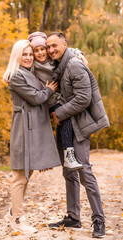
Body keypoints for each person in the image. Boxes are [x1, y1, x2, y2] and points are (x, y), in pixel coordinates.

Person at [46, 32, 110, 238]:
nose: (50, 50)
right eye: (48, 47)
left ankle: (99, 220)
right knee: (69, 171)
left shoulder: (73, 64)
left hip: (78, 125)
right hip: (65, 125)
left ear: (65, 45)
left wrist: (59, 113)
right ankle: (73, 217)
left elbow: (84, 98)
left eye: (54, 45)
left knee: (84, 171)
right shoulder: (59, 65)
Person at [2, 39, 61, 233]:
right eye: (24, 54)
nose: (28, 58)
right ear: (17, 56)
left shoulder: (30, 72)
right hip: (23, 127)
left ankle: (14, 213)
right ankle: (16, 219)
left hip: (33, 126)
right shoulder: (17, 76)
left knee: (26, 174)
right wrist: (49, 90)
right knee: (20, 175)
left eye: (30, 54)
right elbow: (37, 98)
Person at [27, 31, 86, 171]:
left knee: (67, 123)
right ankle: (68, 155)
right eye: (36, 50)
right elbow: (19, 63)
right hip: (51, 100)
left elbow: (67, 51)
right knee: (65, 119)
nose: (40, 53)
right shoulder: (33, 65)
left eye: (43, 49)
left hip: (63, 97)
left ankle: (67, 153)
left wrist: (79, 53)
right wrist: (9, 74)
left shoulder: (53, 60)